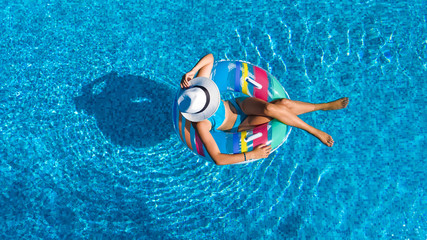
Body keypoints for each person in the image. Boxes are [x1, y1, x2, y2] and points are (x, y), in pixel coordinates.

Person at [178, 54, 349, 165]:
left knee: (270, 108)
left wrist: (192, 71)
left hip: (239, 104)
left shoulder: (199, 91)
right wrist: (251, 155)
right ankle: (321, 110)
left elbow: (210, 57)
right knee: (280, 105)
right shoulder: (202, 125)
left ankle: (318, 117)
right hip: (241, 124)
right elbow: (218, 158)